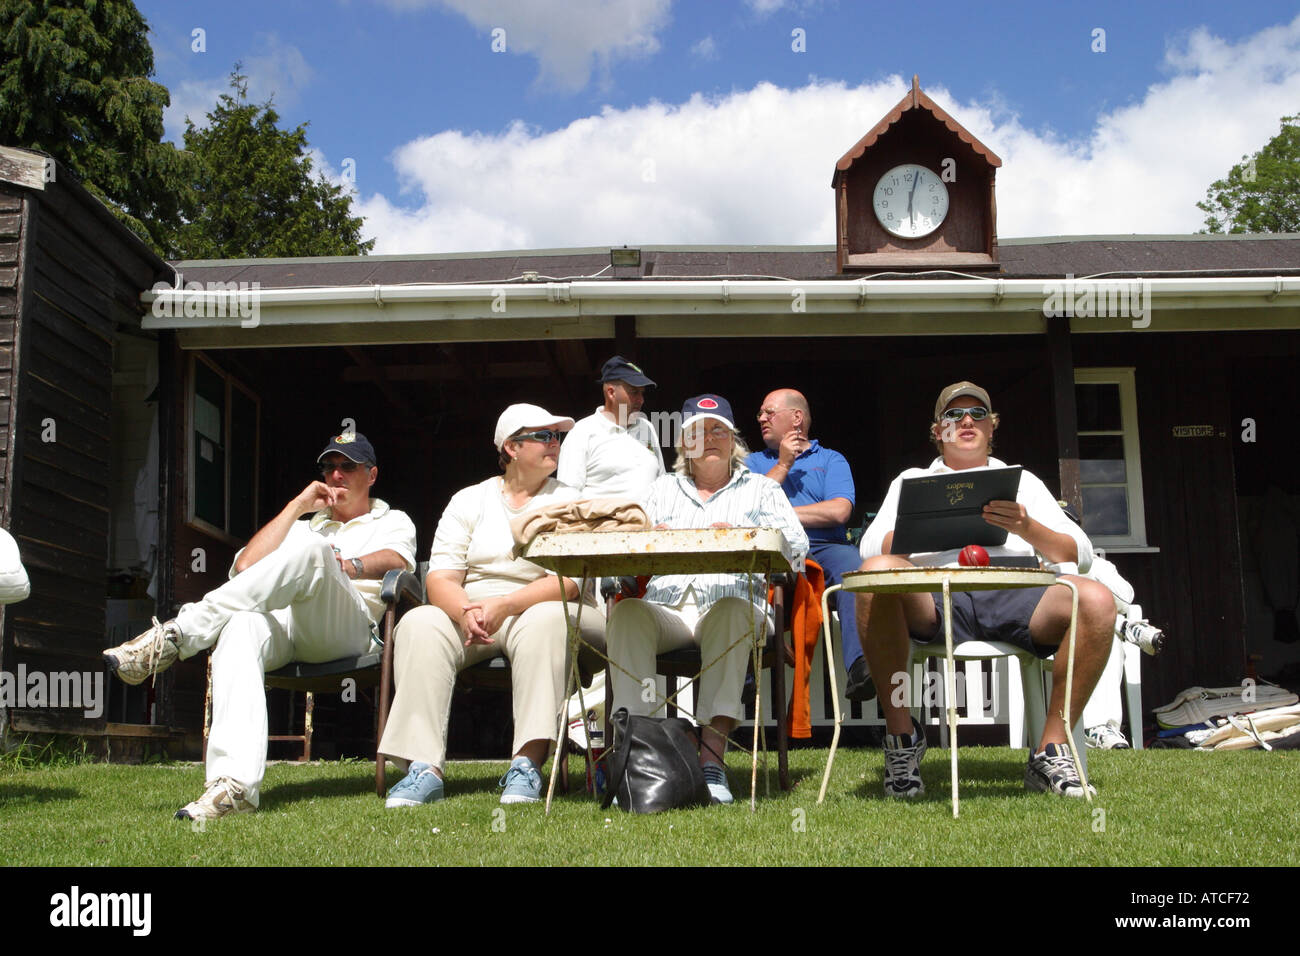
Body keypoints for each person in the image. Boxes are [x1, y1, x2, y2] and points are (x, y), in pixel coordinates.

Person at [104, 432, 417, 820]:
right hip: (289, 631)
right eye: (328, 467)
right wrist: (297, 506)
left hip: (349, 631)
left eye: (347, 467)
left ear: (371, 475)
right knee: (240, 627)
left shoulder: (392, 519)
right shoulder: (306, 525)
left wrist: (348, 565)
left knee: (315, 553)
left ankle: (177, 634)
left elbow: (399, 562)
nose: (335, 475)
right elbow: (244, 569)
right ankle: (233, 789)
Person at [856, 382, 1116, 798]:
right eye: (954, 416)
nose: (966, 422)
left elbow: (1078, 554)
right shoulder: (913, 480)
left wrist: (1025, 527)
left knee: (1096, 598)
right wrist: (924, 529)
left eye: (977, 414)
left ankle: (1050, 748)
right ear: (937, 431)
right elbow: (869, 548)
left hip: (1017, 595)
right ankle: (902, 740)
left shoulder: (1024, 482)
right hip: (935, 597)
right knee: (876, 572)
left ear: (992, 427)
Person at [380, 404, 606, 808]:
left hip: (546, 602)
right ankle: (423, 768)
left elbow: (572, 582)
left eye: (558, 437)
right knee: (420, 623)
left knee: (544, 619)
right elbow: (441, 578)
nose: (555, 444)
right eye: (544, 436)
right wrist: (467, 610)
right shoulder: (469, 500)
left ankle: (527, 764)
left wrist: (506, 604)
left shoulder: (570, 501)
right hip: (477, 612)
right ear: (511, 447)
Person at [606, 395, 808, 805]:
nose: (709, 438)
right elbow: (620, 553)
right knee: (627, 612)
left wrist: (743, 534)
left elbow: (798, 551)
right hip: (670, 608)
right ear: (684, 444)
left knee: (731, 612)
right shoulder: (660, 490)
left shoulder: (764, 489)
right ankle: (643, 758)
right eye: (698, 431)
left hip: (738, 603)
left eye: (719, 430)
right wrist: (648, 541)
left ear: (734, 441)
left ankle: (712, 757)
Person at [744, 389, 870, 700]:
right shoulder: (751, 461)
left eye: (768, 412)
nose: (761, 418)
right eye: (761, 413)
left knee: (854, 566)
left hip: (825, 548)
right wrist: (784, 464)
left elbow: (839, 510)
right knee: (736, 572)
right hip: (771, 548)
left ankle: (859, 668)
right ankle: (744, 671)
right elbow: (744, 509)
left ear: (796, 418)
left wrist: (779, 513)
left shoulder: (830, 459)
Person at [556, 355, 665, 500]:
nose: (641, 399)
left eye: (642, 393)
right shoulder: (582, 432)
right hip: (603, 522)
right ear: (611, 392)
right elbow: (566, 498)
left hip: (650, 522)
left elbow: (662, 484)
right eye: (634, 392)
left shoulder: (647, 427)